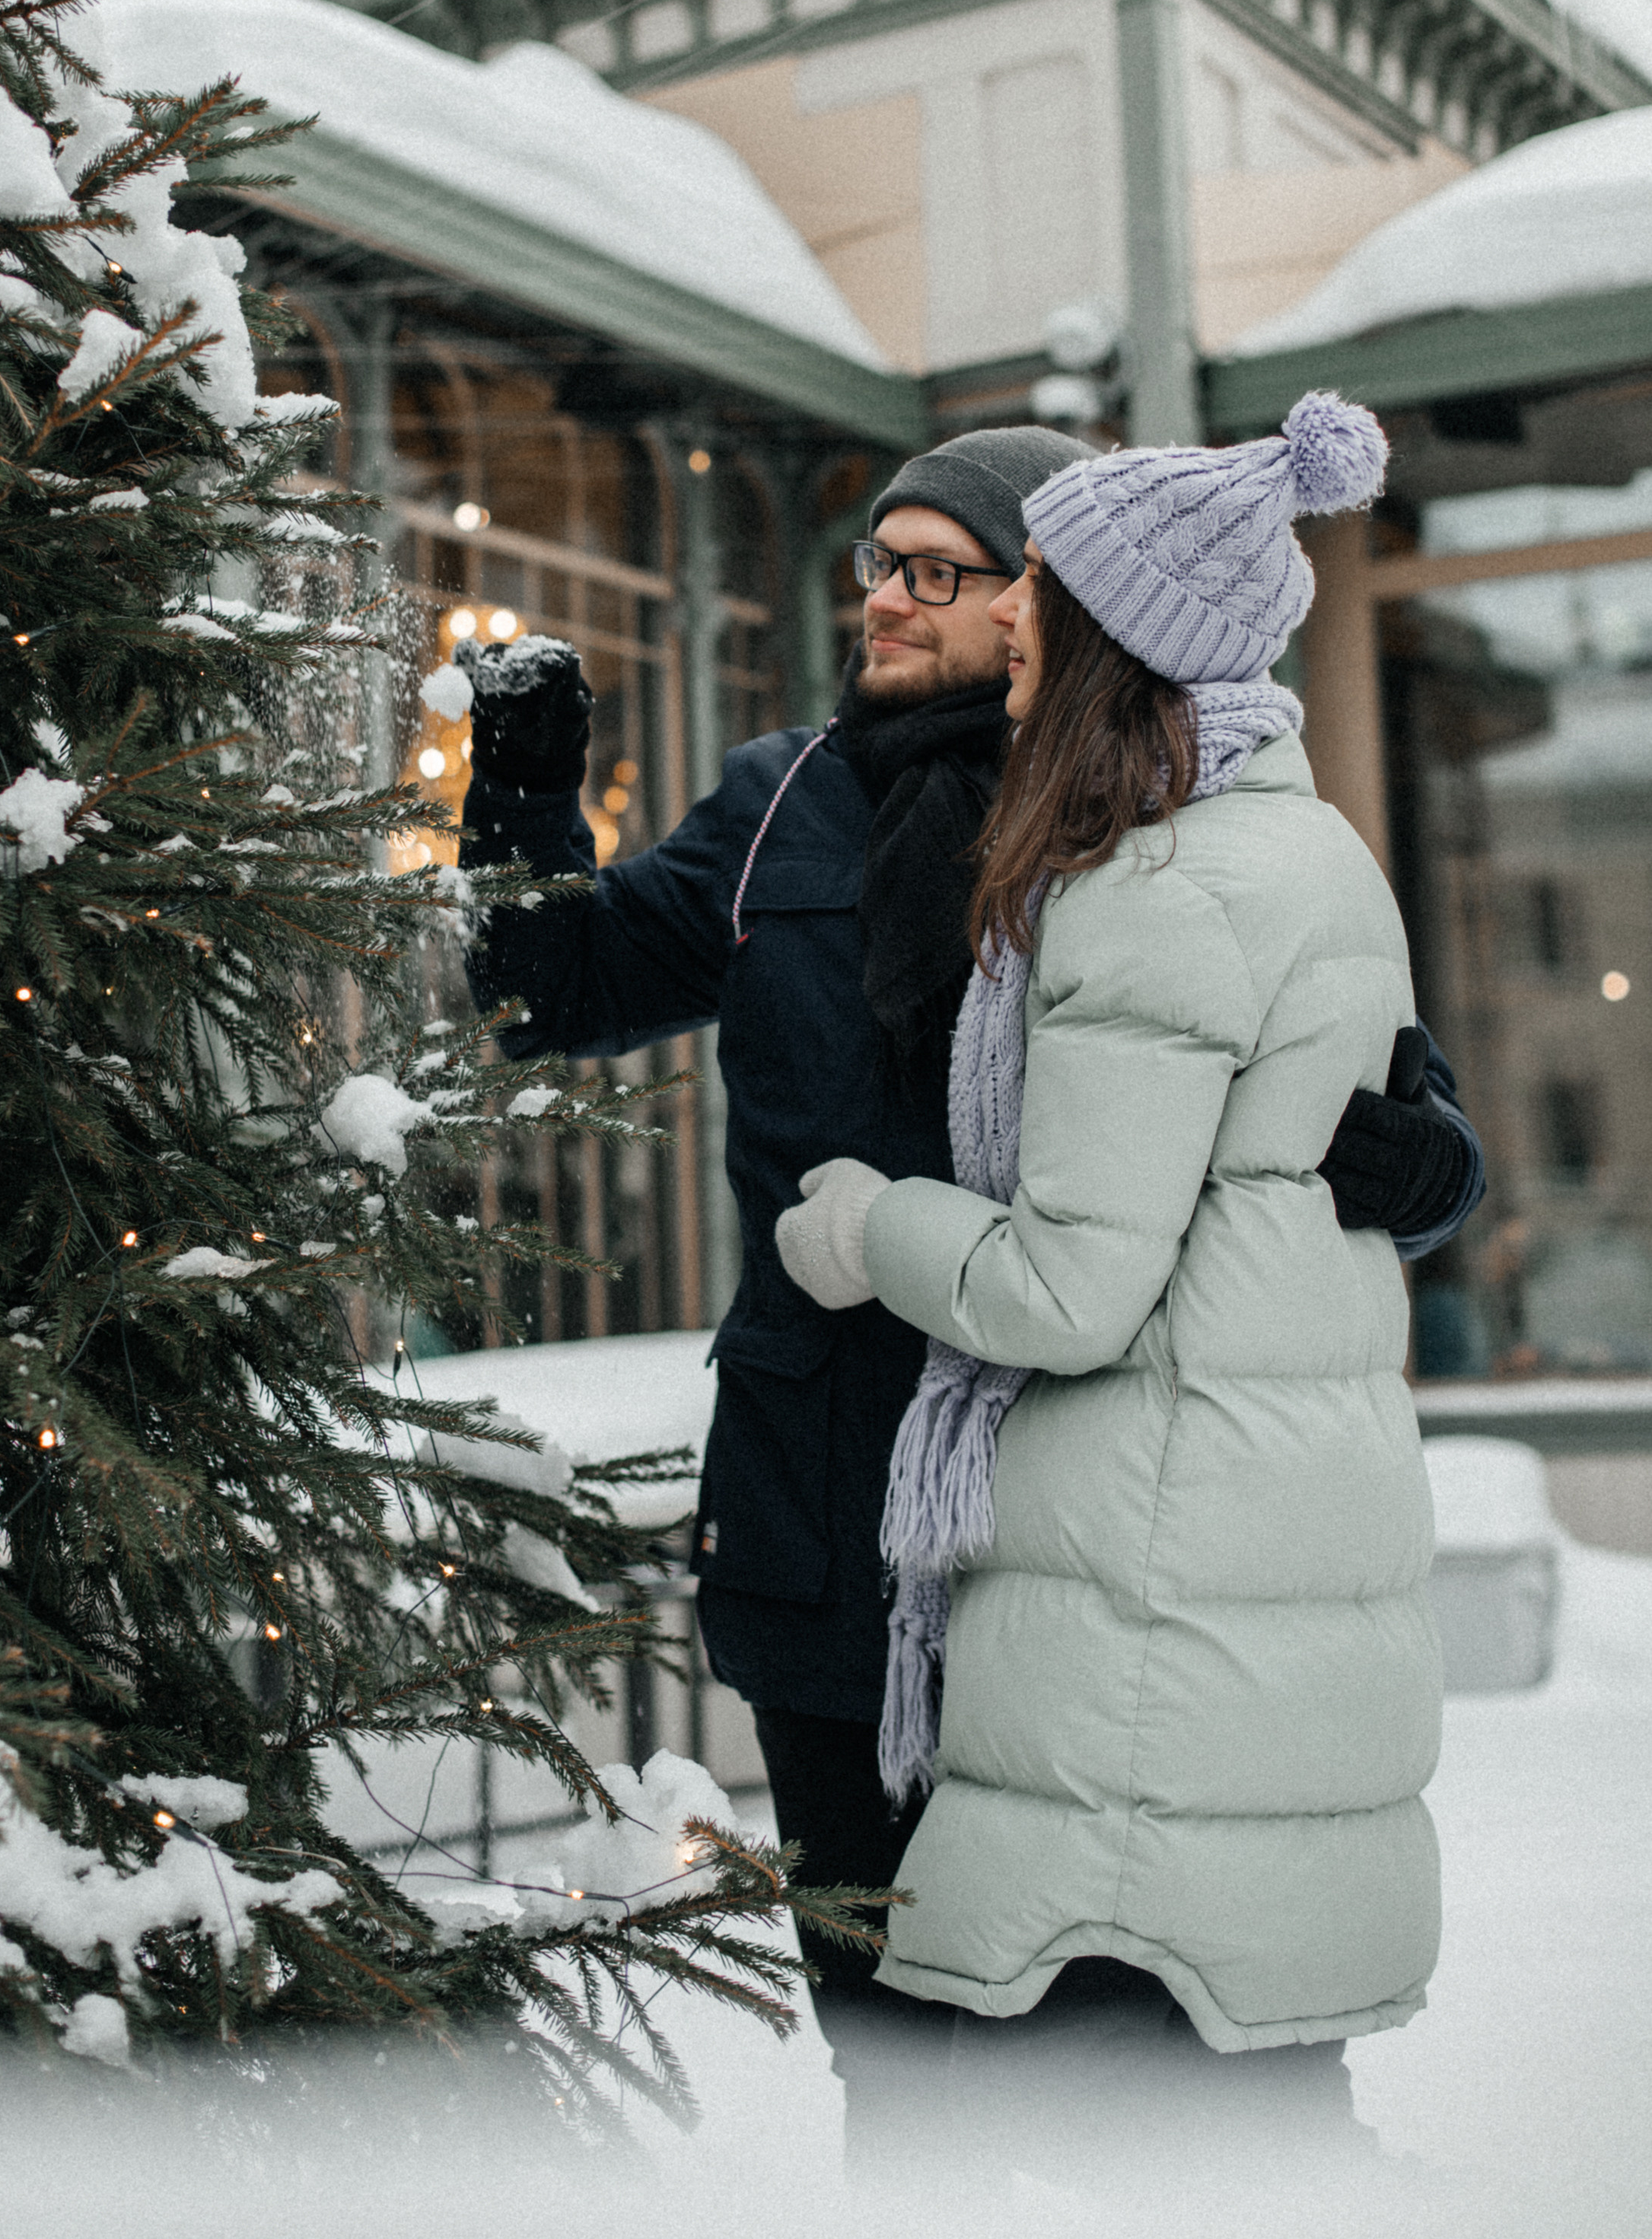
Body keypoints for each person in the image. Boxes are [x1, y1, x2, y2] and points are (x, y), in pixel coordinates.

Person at [455, 423, 1480, 2135]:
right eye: (876, 562)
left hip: (1059, 1516)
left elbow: (1344, 1095)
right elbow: (542, 993)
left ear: (1043, 604)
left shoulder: (1144, 803)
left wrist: (1426, 1163)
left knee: (1125, 2039)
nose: (888, 598)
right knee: (891, 2039)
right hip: (819, 1493)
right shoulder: (780, 796)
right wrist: (522, 785)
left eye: (941, 569)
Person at [775, 394, 1442, 2185]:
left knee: (1094, 2107)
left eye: (1035, 604)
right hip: (1259, 1559)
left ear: (1107, 641)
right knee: (1237, 2096)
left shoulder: (1148, 888)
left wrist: (865, 1222)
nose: (1004, 641)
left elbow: (1074, 1285)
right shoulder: (1308, 846)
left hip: (1151, 1580)